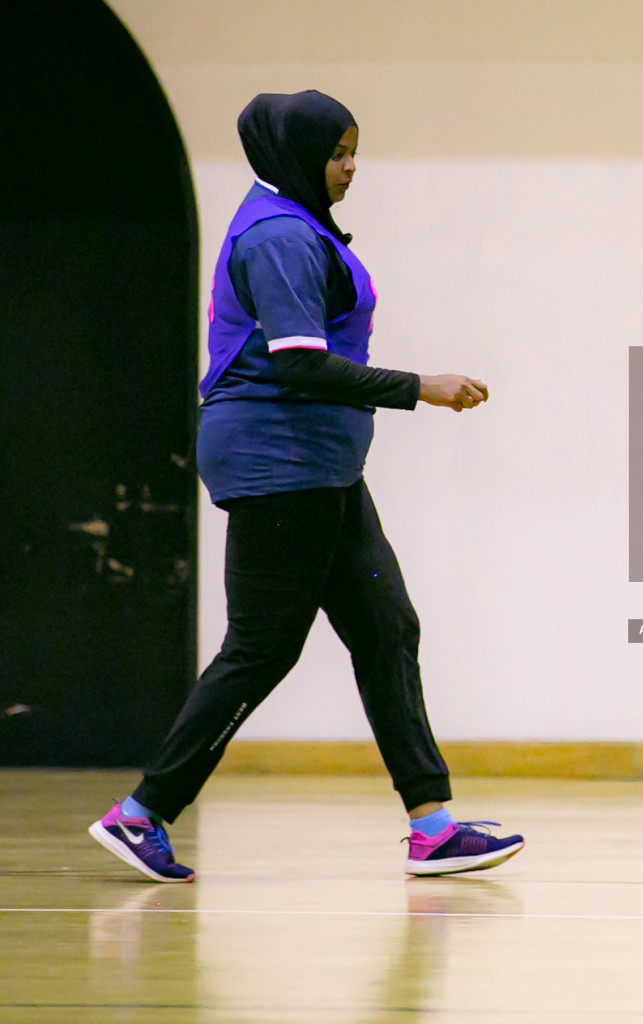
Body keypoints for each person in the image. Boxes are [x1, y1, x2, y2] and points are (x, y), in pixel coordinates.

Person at [88, 90, 523, 882]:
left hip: (321, 467)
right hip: (279, 465)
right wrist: (421, 385)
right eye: (337, 153)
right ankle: (141, 814)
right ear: (296, 156)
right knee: (261, 649)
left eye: (355, 150)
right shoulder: (281, 235)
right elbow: (297, 363)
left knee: (387, 629)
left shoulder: (295, 221)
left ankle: (432, 826)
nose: (351, 166)